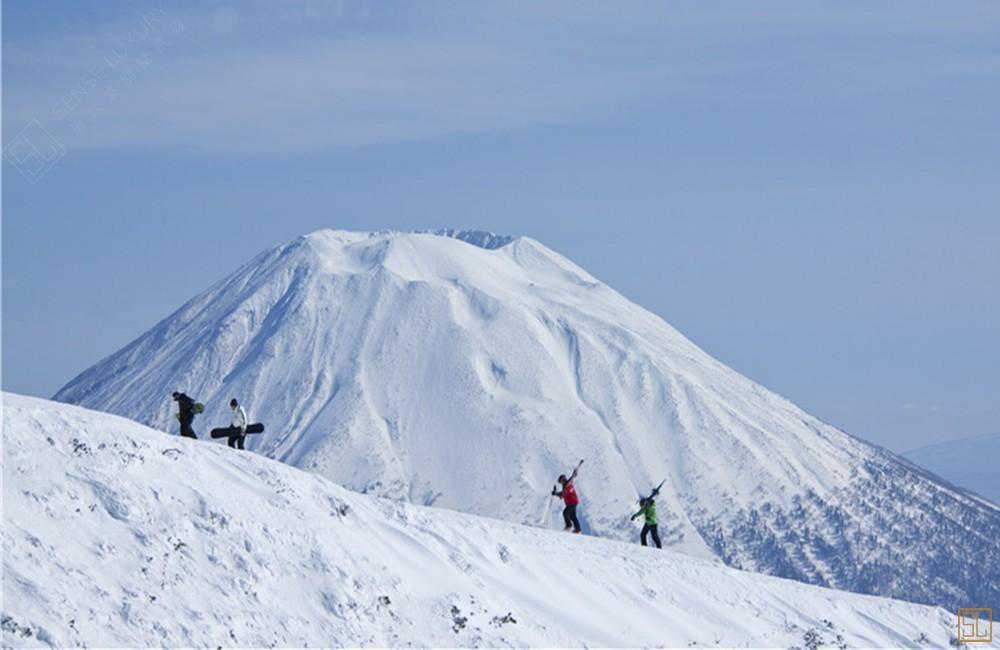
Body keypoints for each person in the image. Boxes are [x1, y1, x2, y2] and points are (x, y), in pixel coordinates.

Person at [551, 461, 584, 533]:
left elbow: (572, 477)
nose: (560, 483)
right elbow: (562, 495)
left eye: (560, 482)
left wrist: (555, 493)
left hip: (572, 502)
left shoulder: (567, 484)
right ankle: (578, 529)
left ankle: (569, 526)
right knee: (573, 516)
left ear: (562, 480)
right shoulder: (566, 485)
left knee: (565, 513)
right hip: (573, 502)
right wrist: (555, 493)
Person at [630, 484, 663, 548]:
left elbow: (653, 514)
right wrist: (635, 516)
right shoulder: (645, 507)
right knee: (643, 534)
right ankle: (644, 547)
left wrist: (649, 517)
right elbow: (640, 512)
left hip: (653, 523)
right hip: (648, 523)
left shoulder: (651, 507)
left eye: (642, 506)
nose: (642, 507)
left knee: (654, 536)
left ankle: (659, 548)